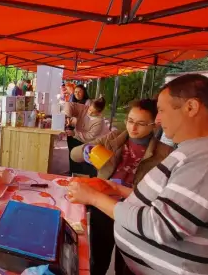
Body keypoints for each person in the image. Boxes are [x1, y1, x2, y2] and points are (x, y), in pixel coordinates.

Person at [67, 74, 208, 275]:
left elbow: (160, 226)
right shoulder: (197, 152)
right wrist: (116, 188)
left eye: (161, 110)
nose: (158, 119)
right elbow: (165, 202)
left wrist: (93, 198)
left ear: (191, 107)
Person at [69, 99, 173, 275]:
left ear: (154, 124)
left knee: (127, 265)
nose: (133, 128)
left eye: (141, 123)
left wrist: (125, 188)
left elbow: (162, 193)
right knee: (97, 259)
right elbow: (74, 155)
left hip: (135, 212)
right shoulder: (113, 138)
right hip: (103, 205)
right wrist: (86, 150)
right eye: (130, 121)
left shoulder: (165, 154)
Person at [63, 97, 108, 176]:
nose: (90, 113)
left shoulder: (99, 121)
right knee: (72, 155)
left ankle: (81, 175)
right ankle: (73, 172)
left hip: (87, 143)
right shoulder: (84, 108)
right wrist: (67, 116)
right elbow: (69, 105)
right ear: (89, 105)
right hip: (75, 137)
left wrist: (75, 134)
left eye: (93, 112)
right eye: (90, 109)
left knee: (83, 162)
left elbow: (90, 136)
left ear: (99, 112)